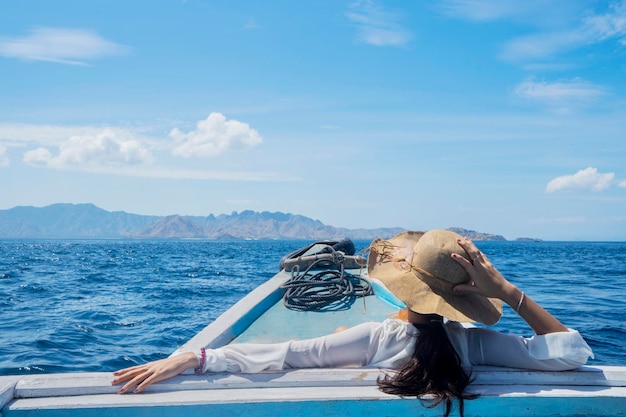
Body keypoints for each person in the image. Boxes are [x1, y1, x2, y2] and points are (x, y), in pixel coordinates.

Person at [112, 230, 593, 417]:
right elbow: (570, 353)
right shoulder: (476, 345)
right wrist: (507, 292)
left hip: (362, 343)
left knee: (339, 340)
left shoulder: (379, 336)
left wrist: (192, 358)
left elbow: (282, 356)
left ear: (400, 285)